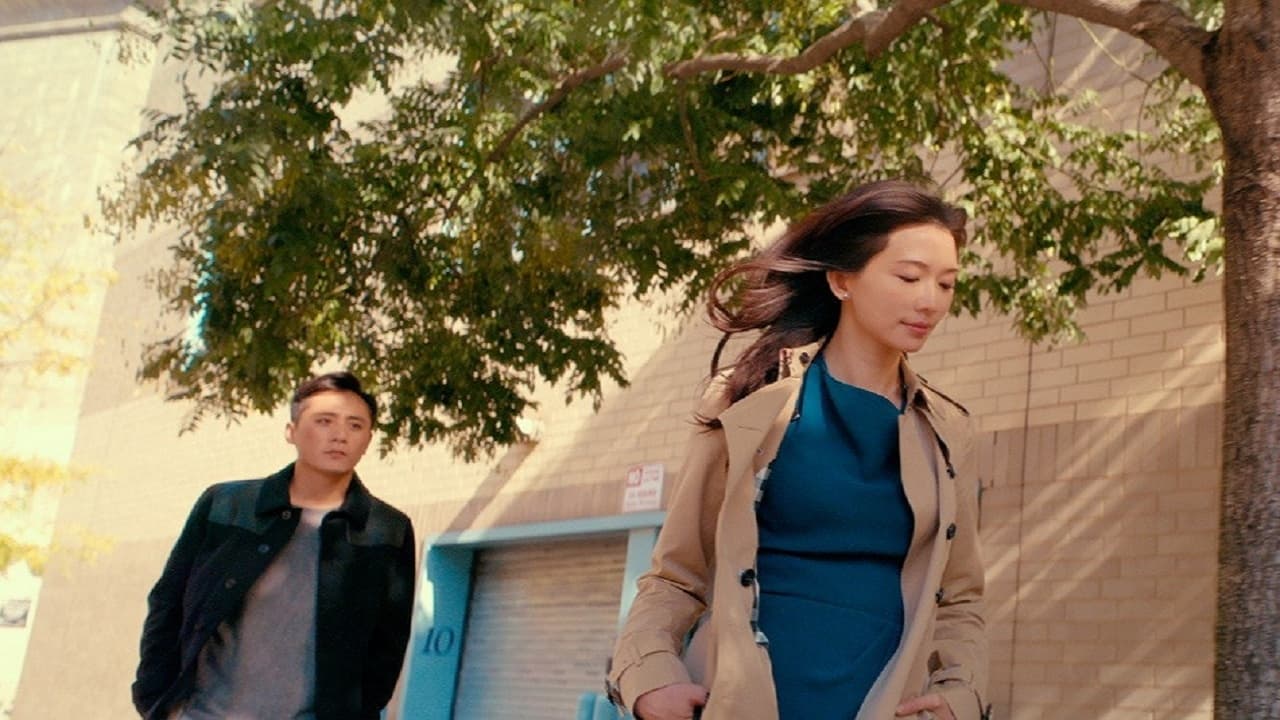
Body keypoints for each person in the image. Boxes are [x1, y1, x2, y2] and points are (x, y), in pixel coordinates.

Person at [606, 180, 989, 720]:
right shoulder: (748, 399)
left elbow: (961, 598)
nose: (930, 300)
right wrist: (648, 677)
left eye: (946, 283)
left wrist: (961, 694)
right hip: (741, 703)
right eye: (909, 277)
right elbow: (676, 575)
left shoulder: (947, 431)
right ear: (841, 280)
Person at [132, 371, 417, 720]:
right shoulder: (225, 505)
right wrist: (155, 699)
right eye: (324, 421)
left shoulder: (386, 529)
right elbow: (168, 602)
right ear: (291, 431)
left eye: (355, 425)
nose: (340, 435)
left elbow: (388, 644)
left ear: (368, 439)